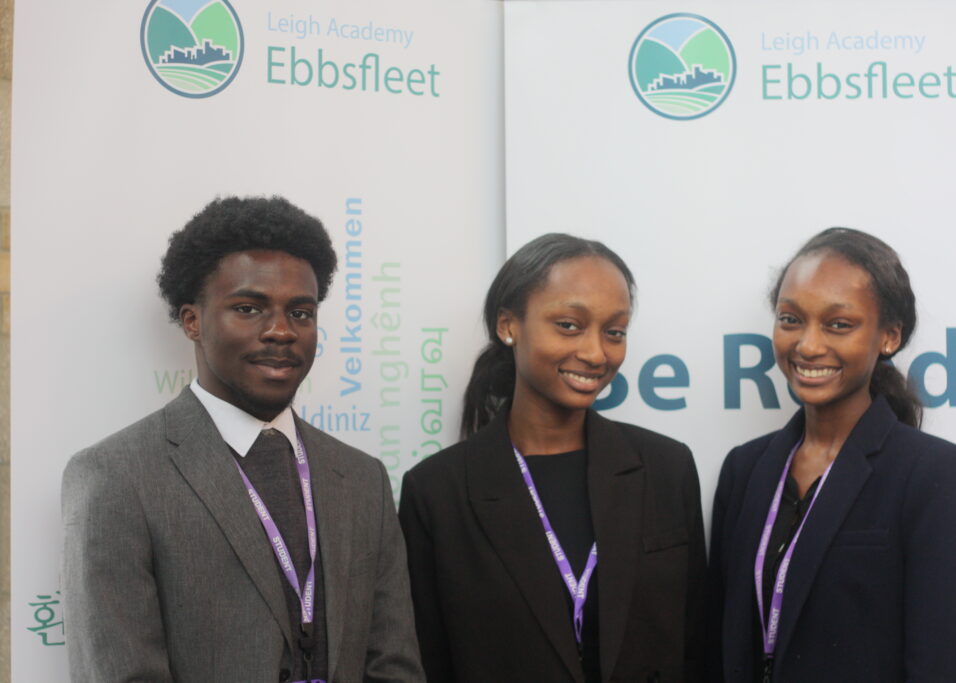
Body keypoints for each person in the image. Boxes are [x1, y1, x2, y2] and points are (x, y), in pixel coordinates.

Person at [62, 196, 425, 683]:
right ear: (192, 321)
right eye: (249, 308)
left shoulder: (362, 479)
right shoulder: (116, 476)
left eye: (301, 313)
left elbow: (394, 665)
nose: (280, 331)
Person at [398, 233, 706, 683]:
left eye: (614, 331)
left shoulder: (666, 468)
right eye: (569, 325)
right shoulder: (437, 492)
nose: (596, 352)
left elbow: (695, 644)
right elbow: (428, 660)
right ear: (509, 325)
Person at [707, 228, 956, 682]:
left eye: (838, 324)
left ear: (889, 337)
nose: (808, 345)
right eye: (790, 319)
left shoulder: (933, 473)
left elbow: (937, 665)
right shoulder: (745, 468)